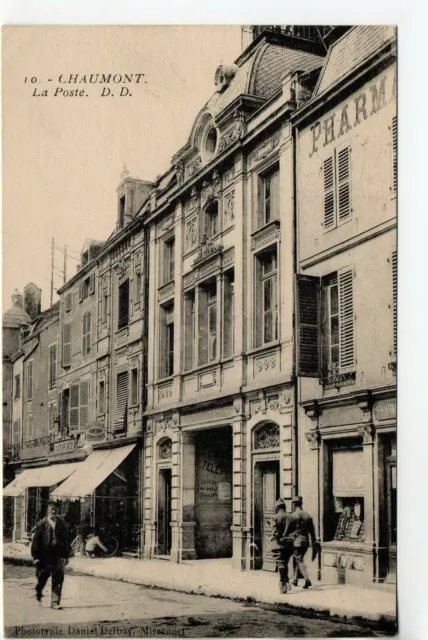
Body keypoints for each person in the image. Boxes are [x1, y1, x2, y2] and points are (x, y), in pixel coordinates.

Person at [31, 501, 70, 610]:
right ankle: (39, 590)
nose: (53, 511)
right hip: (45, 556)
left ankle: (55, 602)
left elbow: (66, 541)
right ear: (47, 510)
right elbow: (36, 542)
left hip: (58, 555)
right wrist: (36, 557)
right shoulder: (41, 524)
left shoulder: (61, 524)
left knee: (58, 578)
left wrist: (66, 556)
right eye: (51, 509)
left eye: (55, 509)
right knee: (43, 577)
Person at [289, 496, 319, 589]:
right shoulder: (307, 515)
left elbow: (290, 531)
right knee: (298, 560)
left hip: (296, 543)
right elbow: (312, 531)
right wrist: (313, 542)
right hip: (306, 543)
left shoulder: (293, 515)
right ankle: (295, 580)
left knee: (298, 560)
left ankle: (307, 580)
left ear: (294, 504)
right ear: (301, 504)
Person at [271, 498, 294, 594]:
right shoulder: (291, 517)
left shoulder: (275, 517)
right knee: (285, 563)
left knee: (281, 564)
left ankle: (282, 584)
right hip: (289, 545)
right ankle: (287, 582)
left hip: (279, 545)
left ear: (277, 508)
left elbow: (275, 533)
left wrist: (274, 537)